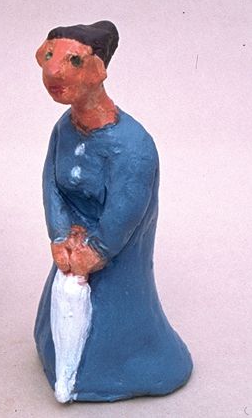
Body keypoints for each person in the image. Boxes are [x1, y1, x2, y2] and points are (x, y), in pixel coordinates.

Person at [33, 21, 193, 402]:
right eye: (48, 56)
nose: (53, 71)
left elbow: (127, 208)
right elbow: (51, 184)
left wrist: (97, 250)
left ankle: (113, 368)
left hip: (111, 256)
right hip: (72, 249)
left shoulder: (132, 145)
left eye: (73, 61)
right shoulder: (63, 129)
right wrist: (59, 235)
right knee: (60, 318)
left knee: (108, 321)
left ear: (98, 70)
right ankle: (63, 364)